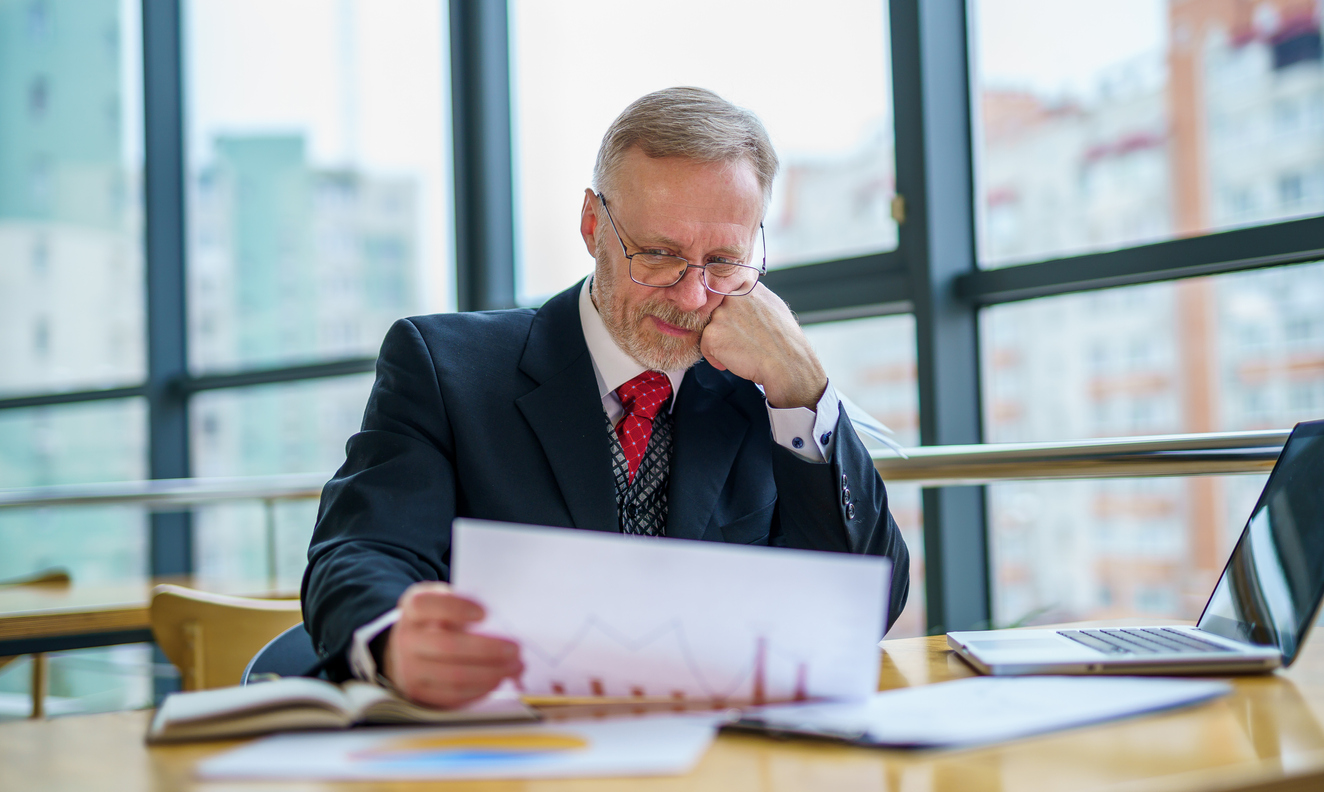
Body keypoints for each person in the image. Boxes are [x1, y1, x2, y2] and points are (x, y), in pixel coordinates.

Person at [302, 87, 910, 709]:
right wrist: (392, 640)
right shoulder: (444, 367)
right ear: (593, 224)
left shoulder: (769, 394)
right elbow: (360, 549)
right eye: (660, 254)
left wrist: (806, 389)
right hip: (511, 751)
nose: (693, 296)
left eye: (723, 261)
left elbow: (865, 605)